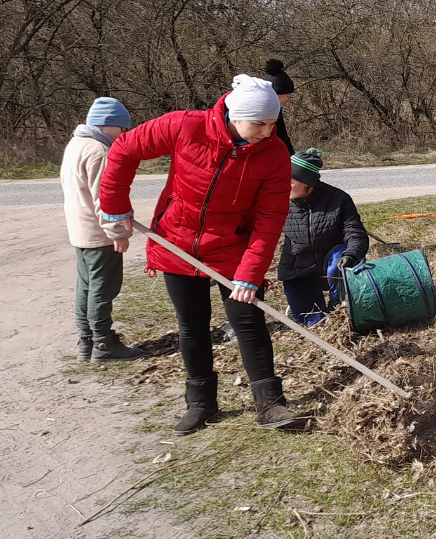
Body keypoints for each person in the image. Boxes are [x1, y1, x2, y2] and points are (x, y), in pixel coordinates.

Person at [99, 75, 301, 436]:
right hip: (177, 242)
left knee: (249, 321)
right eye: (259, 123)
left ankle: (270, 404)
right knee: (192, 325)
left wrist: (250, 273)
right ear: (235, 115)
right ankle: (201, 404)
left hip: (234, 247)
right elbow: (124, 149)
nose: (267, 132)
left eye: (272, 123)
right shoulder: (185, 126)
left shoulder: (274, 154)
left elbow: (271, 218)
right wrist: (115, 207)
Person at [61, 97, 146, 362]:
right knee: (103, 287)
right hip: (98, 233)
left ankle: (86, 340)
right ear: (108, 125)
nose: (123, 134)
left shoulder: (75, 145)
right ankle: (103, 342)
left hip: (80, 230)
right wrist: (117, 232)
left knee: (86, 285)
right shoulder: (99, 151)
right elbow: (105, 197)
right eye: (122, 128)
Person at [279, 149, 369, 326]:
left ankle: (340, 304)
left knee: (344, 317)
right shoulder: (278, 201)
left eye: (290, 182)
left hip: (333, 265)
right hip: (301, 267)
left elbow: (356, 234)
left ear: (307, 183)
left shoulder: (339, 199)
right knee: (315, 324)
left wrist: (351, 255)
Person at [262, 59, 295, 154]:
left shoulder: (276, 111)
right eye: (288, 95)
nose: (288, 100)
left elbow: (283, 138)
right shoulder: (257, 113)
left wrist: (292, 159)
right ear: (276, 94)